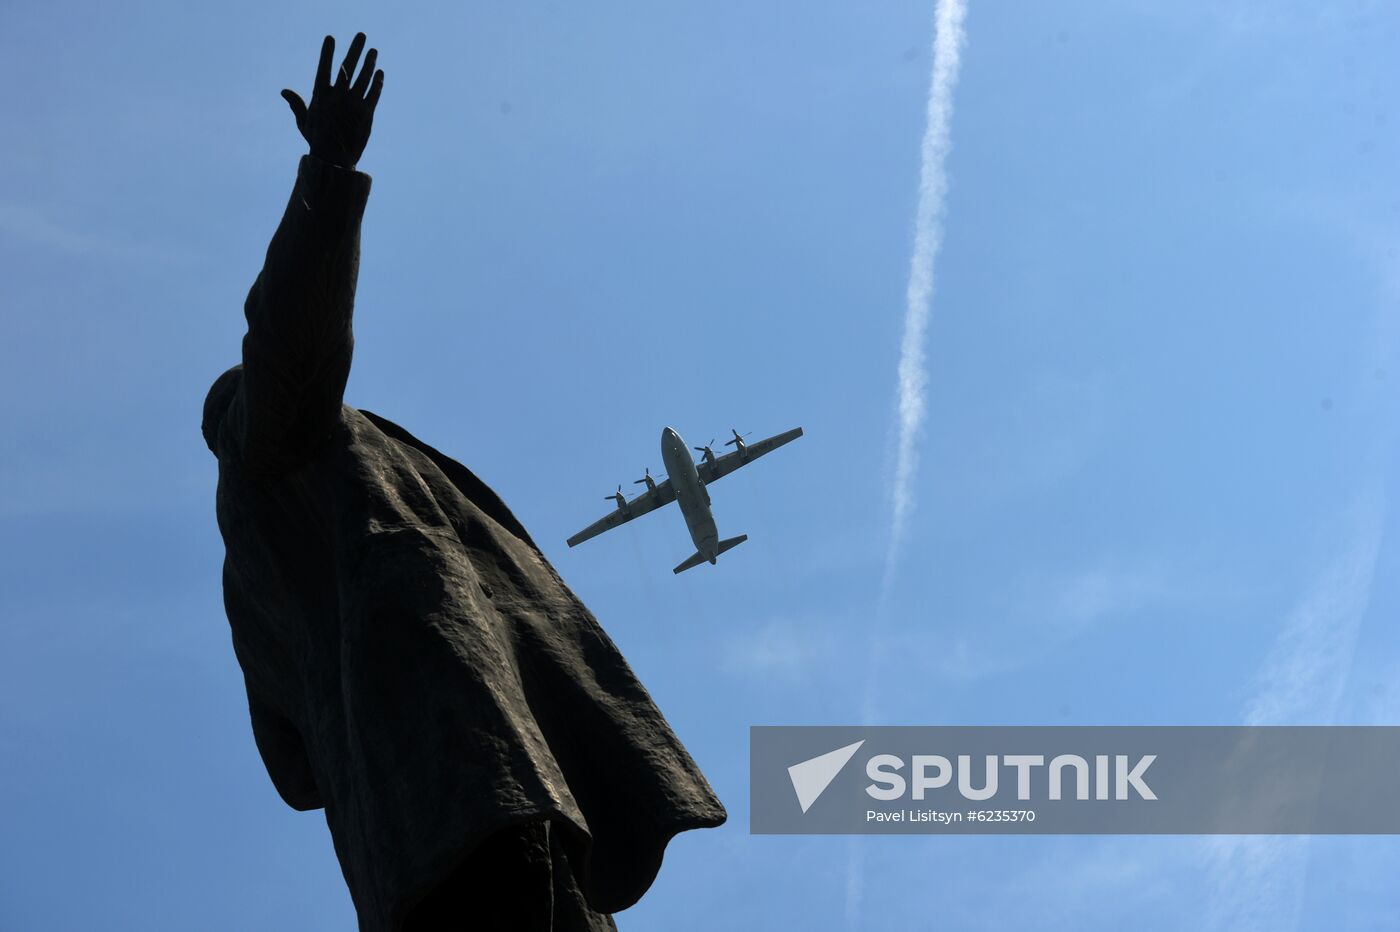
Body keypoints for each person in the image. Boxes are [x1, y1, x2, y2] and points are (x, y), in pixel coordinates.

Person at [202, 34, 725, 932]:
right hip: (472, 796)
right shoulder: (291, 439)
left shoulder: (261, 567)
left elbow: (291, 770)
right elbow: (289, 338)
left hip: (483, 809)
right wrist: (327, 170)